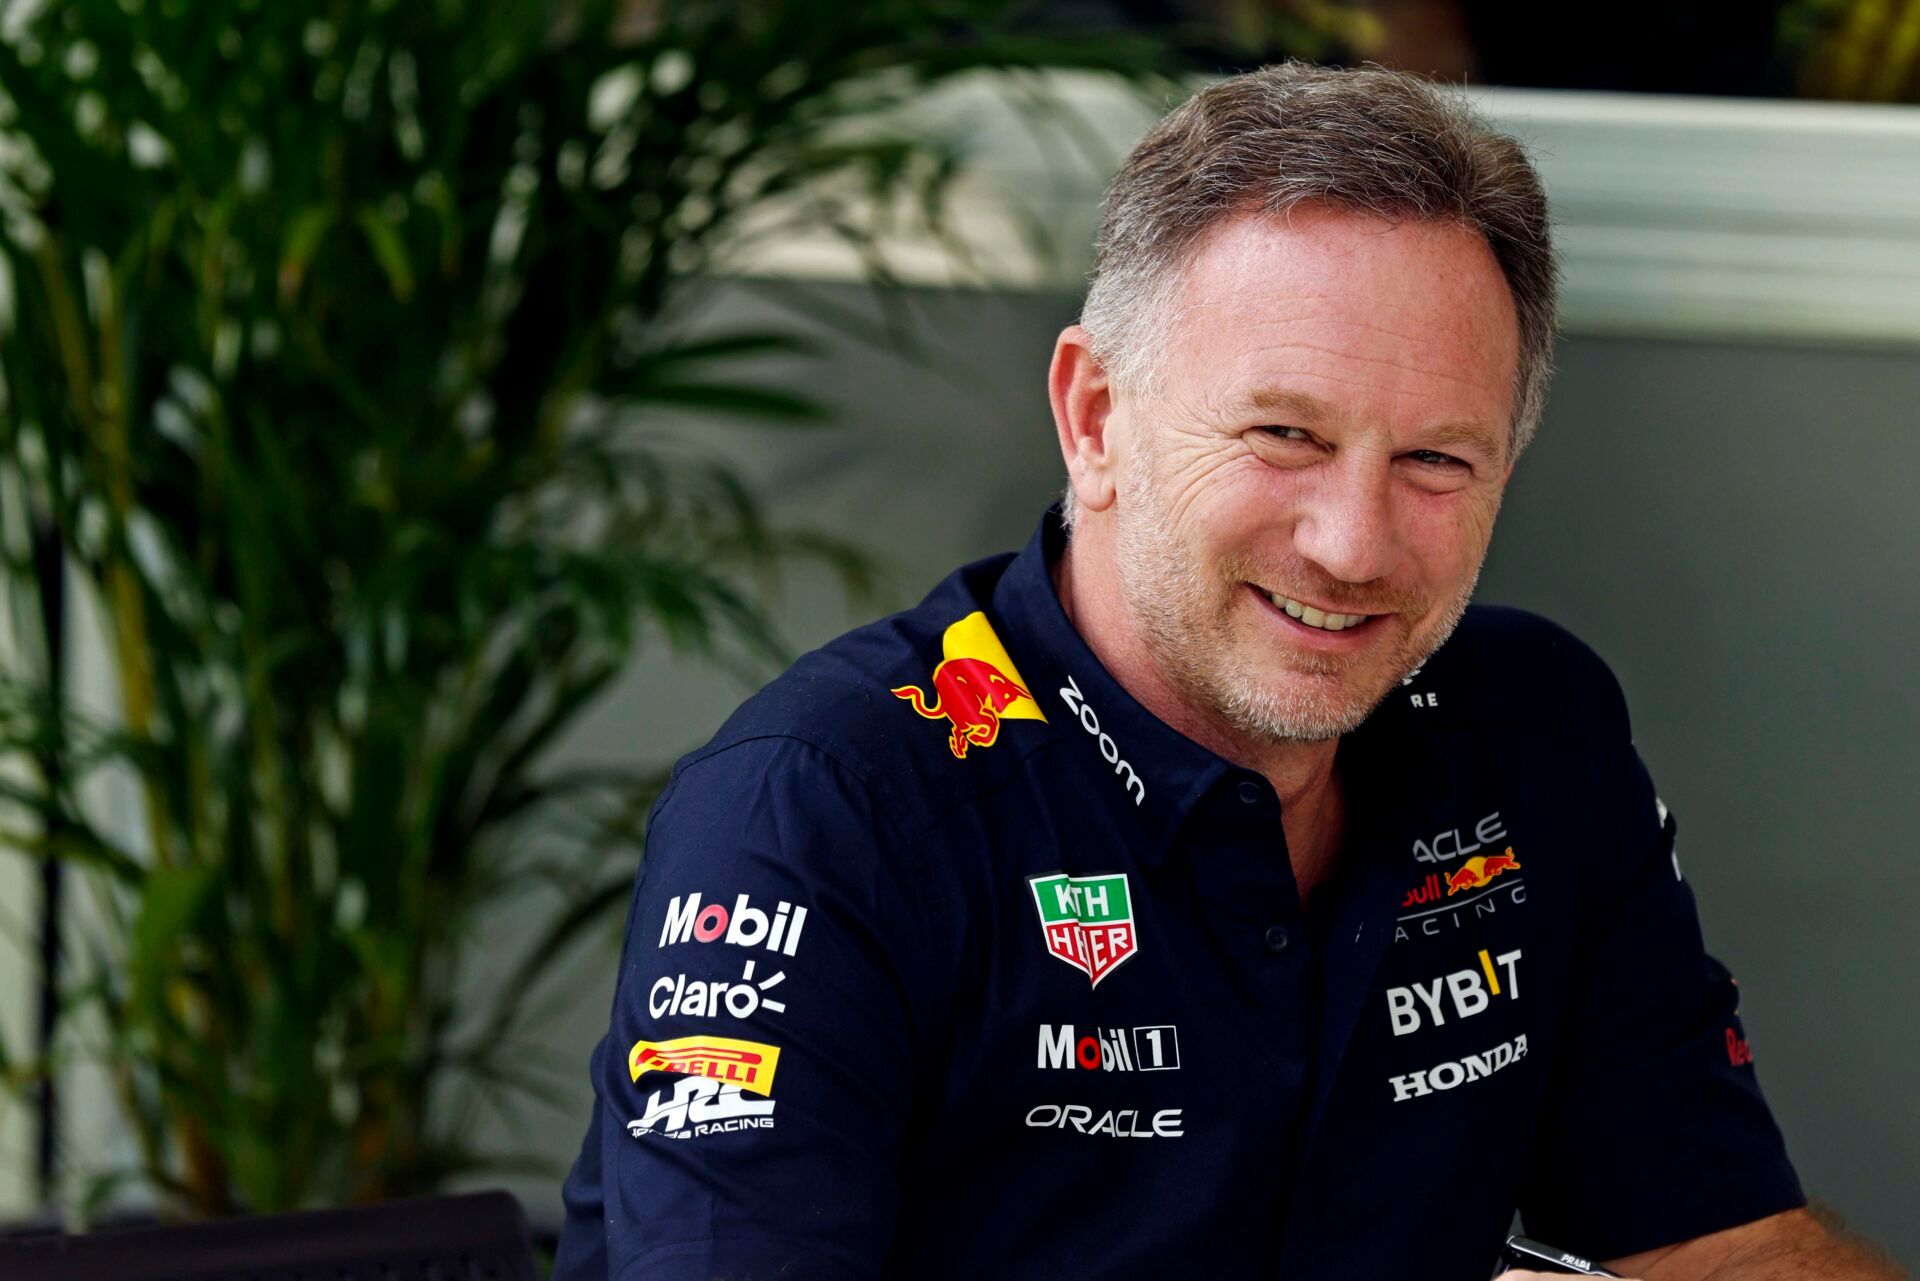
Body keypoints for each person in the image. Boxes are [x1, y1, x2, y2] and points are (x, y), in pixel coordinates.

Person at [552, 61, 1902, 1281]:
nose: (1354, 544)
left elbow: (1725, 1242)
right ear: (1096, 420)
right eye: (1283, 434)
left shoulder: (1535, 736)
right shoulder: (820, 809)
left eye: (1438, 459)